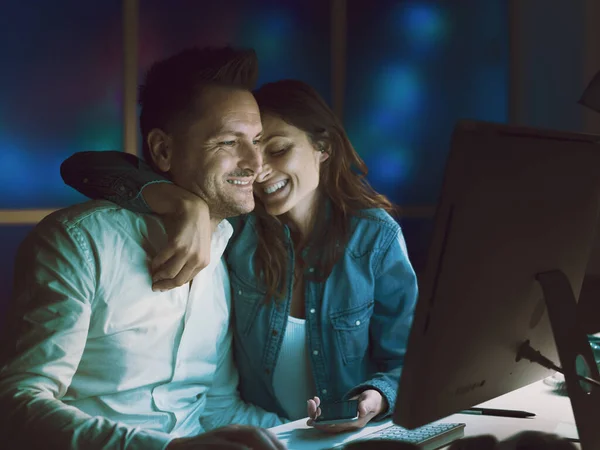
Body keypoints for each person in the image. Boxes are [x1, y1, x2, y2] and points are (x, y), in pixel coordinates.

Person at [61, 79, 419, 433]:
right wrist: (182, 203)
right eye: (252, 149)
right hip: (260, 435)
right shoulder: (238, 228)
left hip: (353, 439)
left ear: (322, 147)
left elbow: (410, 362)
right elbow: (83, 167)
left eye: (277, 150)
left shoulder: (375, 237)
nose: (259, 168)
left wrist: (378, 396)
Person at [0, 46, 288, 450]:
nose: (256, 162)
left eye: (257, 141)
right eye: (228, 142)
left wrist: (312, 433)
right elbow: (16, 406)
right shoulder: (81, 242)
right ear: (163, 150)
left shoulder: (225, 246)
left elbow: (216, 407)